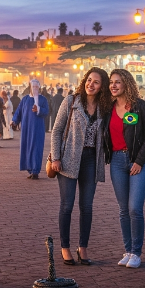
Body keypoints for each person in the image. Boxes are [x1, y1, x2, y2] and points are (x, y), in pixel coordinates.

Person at [51, 68, 110, 267]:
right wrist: (56, 158)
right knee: (67, 205)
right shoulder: (71, 101)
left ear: (102, 87)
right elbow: (57, 131)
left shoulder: (105, 107)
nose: (90, 84)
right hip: (68, 158)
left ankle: (83, 247)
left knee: (86, 207)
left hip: (91, 159)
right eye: (89, 80)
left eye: (96, 82)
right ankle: (65, 247)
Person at [104, 69, 145, 268]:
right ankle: (127, 251)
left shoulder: (139, 106)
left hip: (138, 162)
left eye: (117, 82)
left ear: (126, 84)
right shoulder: (108, 108)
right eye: (111, 82)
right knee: (123, 209)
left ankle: (136, 252)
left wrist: (139, 161)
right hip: (116, 161)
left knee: (135, 208)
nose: (113, 86)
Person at [11, 79, 49, 179]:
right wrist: (14, 120)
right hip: (26, 129)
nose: (35, 89)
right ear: (30, 88)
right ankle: (30, 169)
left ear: (39, 88)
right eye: (33, 87)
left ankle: (35, 170)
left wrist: (39, 109)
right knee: (27, 148)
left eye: (37, 87)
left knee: (36, 148)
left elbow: (46, 112)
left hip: (37, 129)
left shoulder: (43, 99)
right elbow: (19, 111)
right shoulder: (25, 99)